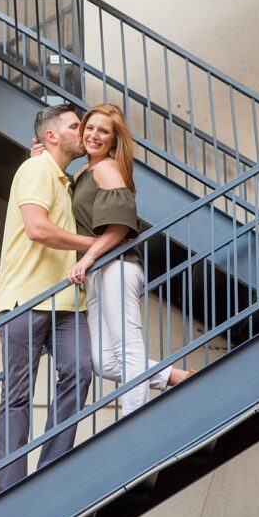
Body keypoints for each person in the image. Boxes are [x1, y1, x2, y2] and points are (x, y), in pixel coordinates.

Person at [62, 104, 191, 415]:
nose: (94, 135)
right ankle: (179, 378)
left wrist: (86, 258)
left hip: (116, 267)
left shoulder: (107, 168)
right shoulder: (85, 171)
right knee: (101, 360)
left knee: (127, 347)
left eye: (103, 131)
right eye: (89, 128)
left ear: (113, 140)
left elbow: (120, 225)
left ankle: (133, 418)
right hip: (96, 272)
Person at [0, 103, 96, 493]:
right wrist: (93, 245)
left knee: (80, 371)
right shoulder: (35, 168)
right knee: (17, 396)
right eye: (74, 126)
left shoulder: (66, 179)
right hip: (24, 300)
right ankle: (11, 487)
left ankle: (51, 469)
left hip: (68, 302)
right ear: (51, 136)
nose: (82, 132)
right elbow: (36, 228)